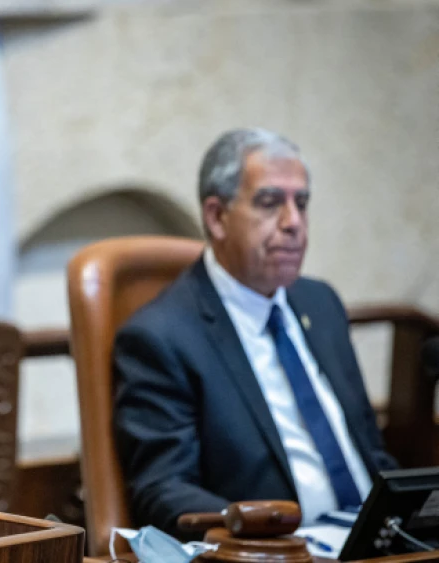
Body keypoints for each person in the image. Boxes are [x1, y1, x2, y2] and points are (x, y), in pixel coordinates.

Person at [112, 128, 398, 537]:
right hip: (279, 549)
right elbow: (164, 491)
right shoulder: (161, 336)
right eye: (270, 203)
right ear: (217, 217)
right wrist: (264, 535)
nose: (293, 223)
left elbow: (369, 451)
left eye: (301, 203)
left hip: (378, 540)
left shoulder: (321, 304)